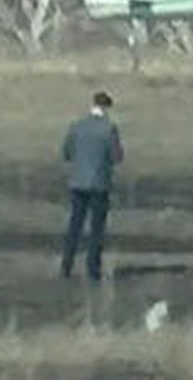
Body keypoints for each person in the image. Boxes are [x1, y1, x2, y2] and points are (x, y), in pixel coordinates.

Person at [60, 90, 124, 282]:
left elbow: (66, 153)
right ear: (106, 108)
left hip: (78, 183)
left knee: (74, 226)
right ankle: (92, 270)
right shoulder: (109, 129)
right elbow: (116, 157)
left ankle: (66, 266)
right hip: (99, 184)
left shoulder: (77, 126)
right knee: (96, 229)